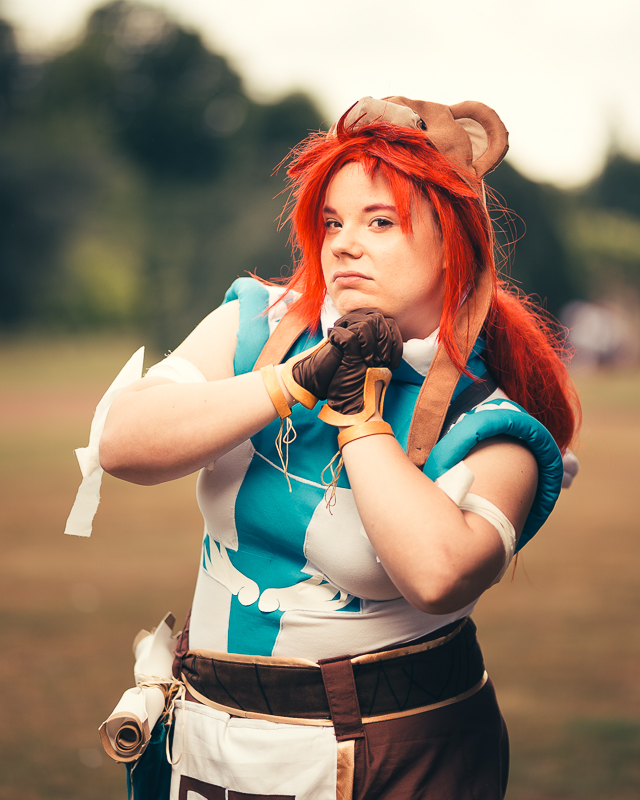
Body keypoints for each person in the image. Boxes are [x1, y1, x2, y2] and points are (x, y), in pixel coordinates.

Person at [83, 96, 580, 800]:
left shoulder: (490, 418)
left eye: (380, 221)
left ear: (453, 242)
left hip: (399, 754)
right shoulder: (261, 325)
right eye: (332, 222)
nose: (344, 244)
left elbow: (438, 576)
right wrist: (289, 381)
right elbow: (120, 443)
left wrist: (357, 416)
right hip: (211, 742)